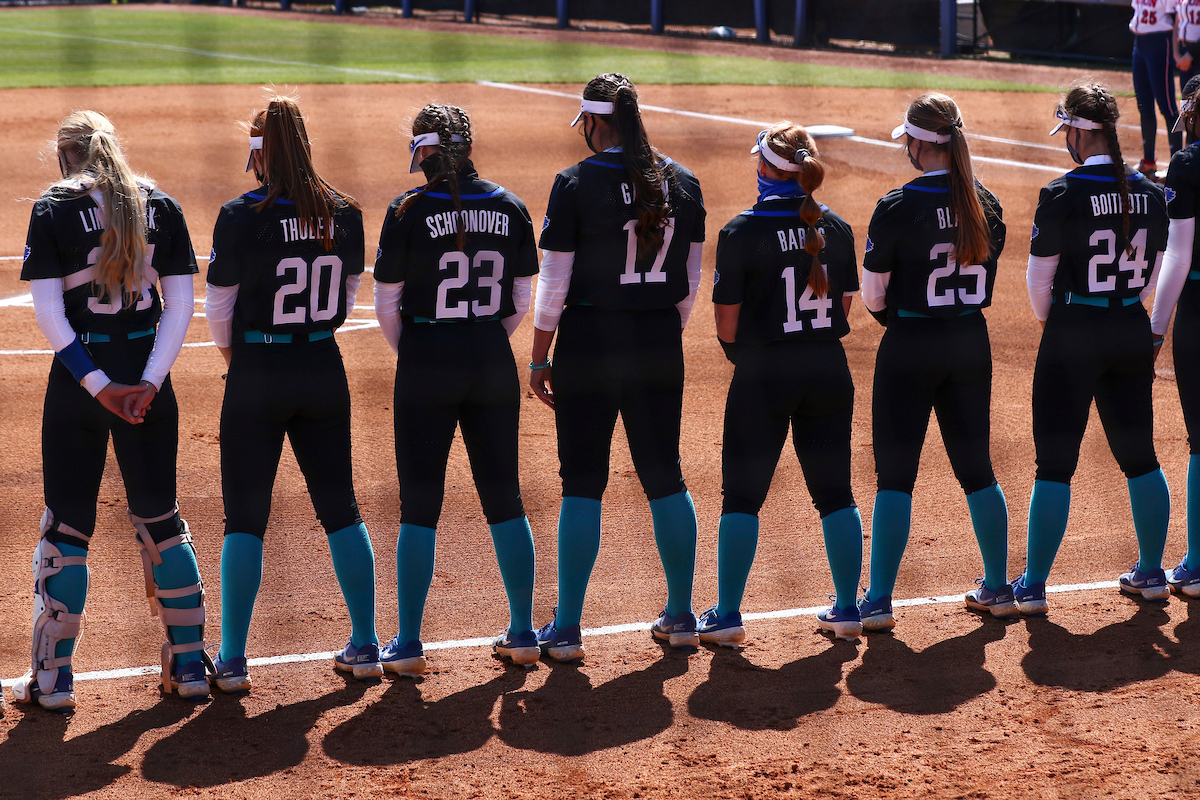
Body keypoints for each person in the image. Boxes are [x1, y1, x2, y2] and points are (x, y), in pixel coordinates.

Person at [13, 110, 208, 710]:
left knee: (68, 523)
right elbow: (181, 307)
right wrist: (145, 383)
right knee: (161, 520)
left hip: (80, 385)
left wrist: (98, 385)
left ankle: (53, 680)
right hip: (148, 384)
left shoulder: (52, 209)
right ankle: (190, 666)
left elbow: (49, 313)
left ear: (66, 157)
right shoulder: (162, 206)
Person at [205, 94, 381, 692]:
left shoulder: (240, 215)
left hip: (259, 369)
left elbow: (219, 310)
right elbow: (349, 295)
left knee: (244, 519)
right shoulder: (345, 213)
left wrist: (245, 364)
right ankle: (366, 642)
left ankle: (231, 660)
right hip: (323, 367)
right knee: (341, 508)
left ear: (260, 154)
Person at [530, 72, 706, 661]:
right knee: (665, 474)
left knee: (582, 482)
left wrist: (538, 357)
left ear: (595, 122)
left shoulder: (575, 184)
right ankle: (681, 615)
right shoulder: (682, 181)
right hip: (658, 341)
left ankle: (569, 627)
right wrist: (657, 333)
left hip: (589, 343)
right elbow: (690, 284)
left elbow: (553, 284)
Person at [372, 104, 540, 675]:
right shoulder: (511, 206)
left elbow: (386, 305)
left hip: (426, 358)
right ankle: (522, 632)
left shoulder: (407, 211)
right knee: (505, 497)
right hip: (491, 360)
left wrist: (422, 350)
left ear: (424, 152)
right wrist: (485, 340)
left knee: (420, 506)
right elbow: (522, 297)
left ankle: (410, 644)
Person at [701, 123, 864, 645]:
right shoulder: (834, 228)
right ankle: (847, 609)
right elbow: (843, 309)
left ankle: (727, 616)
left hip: (764, 373)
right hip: (827, 370)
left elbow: (727, 324)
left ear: (768, 169)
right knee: (836, 492)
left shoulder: (741, 231)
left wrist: (746, 359)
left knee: (741, 498)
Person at [1014, 83, 1171, 614]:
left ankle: (1033, 585)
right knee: (1141, 455)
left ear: (1081, 131)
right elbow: (1151, 272)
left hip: (1073, 330)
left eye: (1069, 133)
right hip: (1129, 324)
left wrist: (1057, 323)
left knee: (1054, 462)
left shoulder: (1062, 193)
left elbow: (1040, 284)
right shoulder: (1149, 192)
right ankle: (1152, 573)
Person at [859, 93, 1011, 631]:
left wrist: (902, 322)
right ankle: (999, 586)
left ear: (923, 143)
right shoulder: (985, 202)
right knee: (978, 471)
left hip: (911, 346)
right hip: (970, 343)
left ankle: (877, 600)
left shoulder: (897, 205)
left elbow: (873, 294)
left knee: (895, 477)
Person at [1152, 75, 1200, 596]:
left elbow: (1179, 256)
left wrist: (1156, 327)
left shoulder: (1188, 164)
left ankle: (1198, 561)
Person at [1130, 0, 1182, 178]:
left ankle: (1178, 164)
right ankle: (1149, 161)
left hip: (1160, 42)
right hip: (1140, 44)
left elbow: (1177, 17)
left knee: (1167, 107)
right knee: (1144, 106)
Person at [1178, 1, 1200, 146]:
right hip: (1184, 51)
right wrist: (1176, 52)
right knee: (1187, 107)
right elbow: (1177, 23)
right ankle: (1189, 150)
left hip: (1195, 54)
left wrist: (1191, 54)